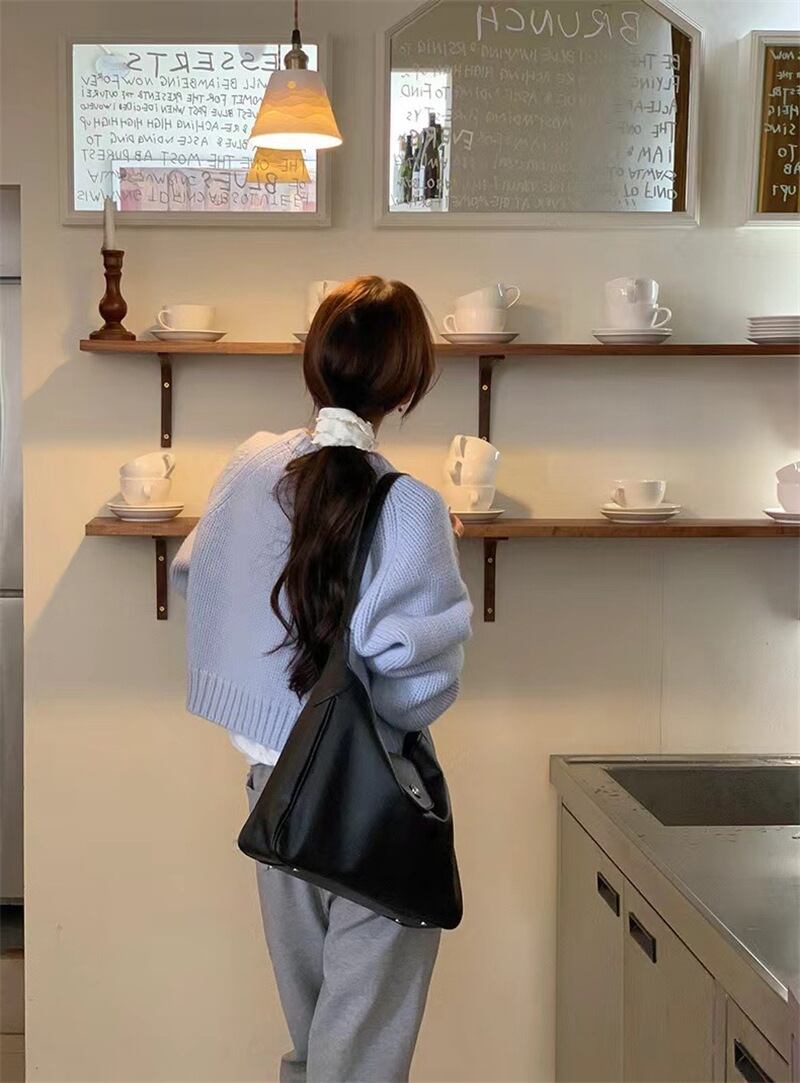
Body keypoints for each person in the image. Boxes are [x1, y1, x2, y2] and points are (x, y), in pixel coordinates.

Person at [172, 275, 472, 1083]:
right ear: (406, 386)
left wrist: (271, 685)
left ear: (317, 362)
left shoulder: (250, 464)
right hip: (367, 798)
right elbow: (416, 687)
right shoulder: (408, 506)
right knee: (360, 1060)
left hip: (274, 795)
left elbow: (194, 573)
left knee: (316, 1048)